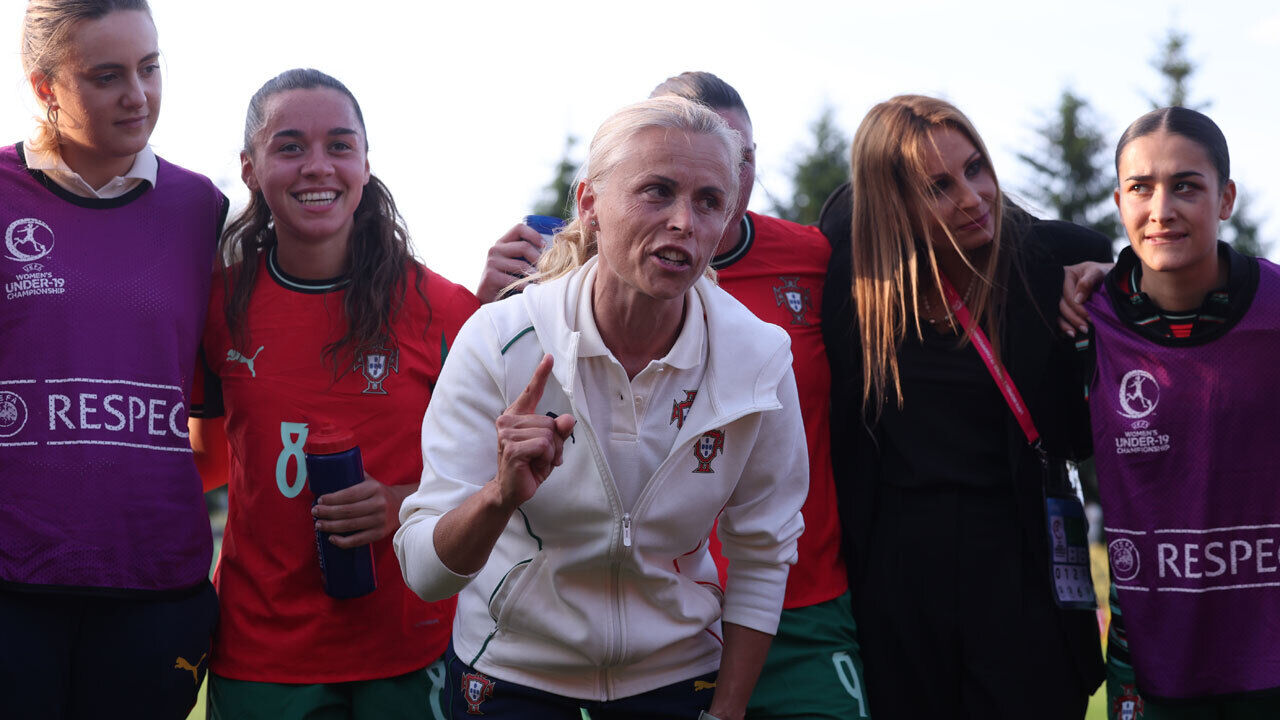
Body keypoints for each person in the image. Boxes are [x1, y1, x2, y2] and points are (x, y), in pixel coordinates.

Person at [395, 95, 808, 720]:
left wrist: (726, 713)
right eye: (657, 191)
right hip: (510, 673)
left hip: (677, 674)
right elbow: (425, 572)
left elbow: (762, 552)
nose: (683, 223)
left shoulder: (759, 358)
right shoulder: (500, 340)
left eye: (709, 202)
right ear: (589, 205)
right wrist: (498, 496)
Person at [187, 68, 479, 719]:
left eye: (339, 145)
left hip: (408, 647)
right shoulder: (216, 306)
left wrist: (403, 502)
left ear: (365, 164)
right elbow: (201, 458)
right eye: (290, 146)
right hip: (260, 652)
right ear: (250, 168)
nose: (317, 166)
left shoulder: (442, 309)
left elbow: (501, 474)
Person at [819, 95, 1107, 719]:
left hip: (1021, 561)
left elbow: (1076, 434)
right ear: (894, 202)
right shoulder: (851, 288)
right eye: (938, 186)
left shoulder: (1040, 269)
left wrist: (1106, 284)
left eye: (976, 168)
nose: (973, 197)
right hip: (898, 574)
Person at [0, 1, 226, 718]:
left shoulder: (203, 211)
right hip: (11, 593)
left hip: (156, 591)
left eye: (150, 67)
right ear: (45, 88)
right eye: (107, 75)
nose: (139, 94)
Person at [649, 71, 869, 719]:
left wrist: (1074, 273)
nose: (727, 172)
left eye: (741, 156)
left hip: (805, 604)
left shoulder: (816, 256)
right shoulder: (607, 277)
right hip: (663, 614)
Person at [1075, 107, 1280, 719]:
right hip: (1150, 664)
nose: (1161, 209)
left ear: (1226, 200)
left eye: (1186, 185)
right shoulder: (1086, 316)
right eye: (1141, 187)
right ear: (1119, 201)